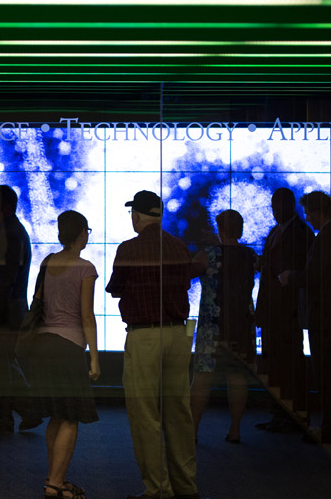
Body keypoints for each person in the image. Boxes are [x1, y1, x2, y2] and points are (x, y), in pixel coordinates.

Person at [105, 190, 200, 499]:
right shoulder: (179, 246)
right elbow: (185, 283)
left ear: (137, 216)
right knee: (178, 413)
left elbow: (115, 289)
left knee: (145, 414)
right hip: (178, 334)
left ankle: (159, 489)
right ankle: (186, 486)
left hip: (145, 335)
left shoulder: (129, 249)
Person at [27, 210, 100, 499]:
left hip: (43, 345)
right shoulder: (85, 268)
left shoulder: (47, 262)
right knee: (70, 417)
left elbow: (37, 302)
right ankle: (55, 483)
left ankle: (54, 477)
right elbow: (86, 316)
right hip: (68, 348)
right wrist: (94, 356)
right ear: (82, 233)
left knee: (56, 417)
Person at [280, 191, 331, 444]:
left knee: (328, 378)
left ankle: (330, 431)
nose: (308, 219)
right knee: (329, 377)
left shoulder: (330, 237)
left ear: (318, 212)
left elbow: (316, 276)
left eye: (309, 213)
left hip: (327, 319)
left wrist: (291, 277)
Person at [0, 185, 40, 436]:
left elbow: (3, 281)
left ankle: (5, 419)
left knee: (0, 368)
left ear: (6, 206)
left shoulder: (9, 234)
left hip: (3, 317)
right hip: (10, 314)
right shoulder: (12, 231)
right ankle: (24, 412)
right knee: (5, 365)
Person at [191, 209, 258, 444]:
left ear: (219, 230)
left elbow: (187, 274)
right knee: (237, 376)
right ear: (240, 229)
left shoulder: (207, 255)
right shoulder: (250, 255)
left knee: (202, 376)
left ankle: (193, 431)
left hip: (212, 325)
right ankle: (235, 430)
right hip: (241, 324)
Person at [255, 187, 314, 430]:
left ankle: (292, 414)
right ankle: (279, 414)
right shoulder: (275, 231)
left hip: (287, 310)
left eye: (280, 206)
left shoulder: (302, 233)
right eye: (273, 207)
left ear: (291, 206)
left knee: (289, 364)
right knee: (274, 364)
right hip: (272, 310)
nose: (276, 211)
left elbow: (302, 273)